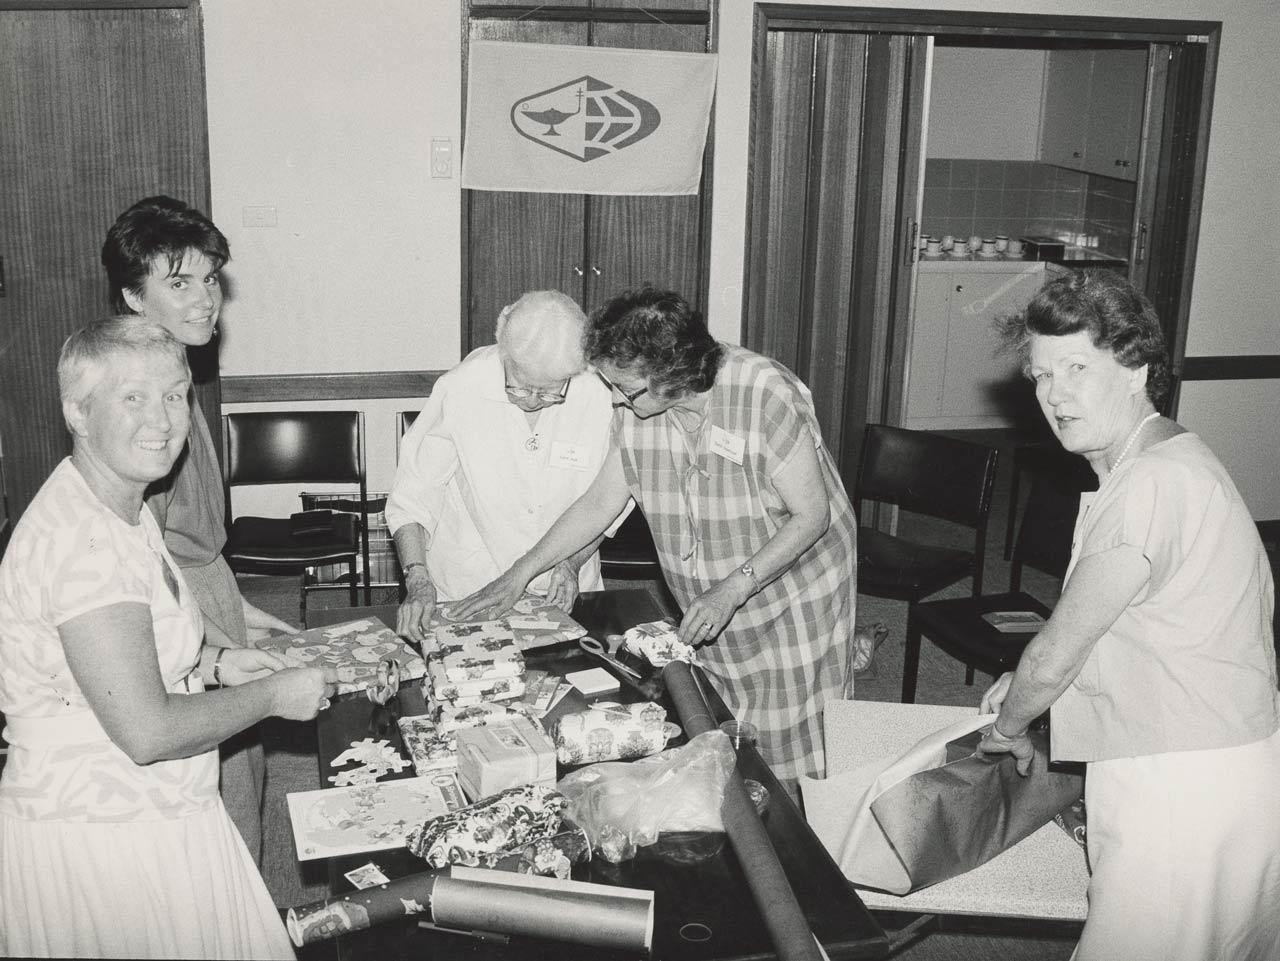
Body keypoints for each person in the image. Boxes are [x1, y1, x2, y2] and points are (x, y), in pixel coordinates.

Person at [0, 320, 334, 958]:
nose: (161, 419)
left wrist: (215, 661)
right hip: (107, 838)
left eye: (175, 395)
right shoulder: (87, 543)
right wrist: (273, 697)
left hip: (149, 812)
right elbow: (147, 730)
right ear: (77, 410)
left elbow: (127, 649)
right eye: (132, 398)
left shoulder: (120, 500)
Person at [977, 271, 1280, 960]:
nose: (1054, 393)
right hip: (1223, 760)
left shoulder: (1148, 484)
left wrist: (1012, 723)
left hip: (1184, 785)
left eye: (1078, 367)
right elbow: (1125, 625)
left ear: (1137, 365)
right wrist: (1036, 690)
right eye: (1040, 373)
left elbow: (1054, 654)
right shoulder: (1168, 459)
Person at [453, 288, 858, 782]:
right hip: (714, 595)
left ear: (673, 372)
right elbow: (598, 504)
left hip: (795, 591)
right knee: (718, 722)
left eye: (627, 389)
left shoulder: (762, 392)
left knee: (795, 734)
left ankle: (805, 838)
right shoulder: (638, 408)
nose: (616, 400)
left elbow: (812, 515)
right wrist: (520, 574)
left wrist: (734, 586)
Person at [101, 194, 294, 864]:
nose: (205, 298)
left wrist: (235, 606)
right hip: (177, 616)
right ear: (132, 296)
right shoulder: (139, 403)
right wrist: (213, 636)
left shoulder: (176, 371)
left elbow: (189, 535)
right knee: (220, 801)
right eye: (178, 282)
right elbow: (145, 562)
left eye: (209, 278)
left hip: (207, 592)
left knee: (244, 778)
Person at [386, 289, 621, 644]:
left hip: (564, 582)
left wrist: (572, 561)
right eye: (521, 387)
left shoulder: (599, 392)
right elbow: (414, 493)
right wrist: (417, 577)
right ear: (502, 353)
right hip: (470, 583)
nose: (532, 402)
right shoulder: (462, 386)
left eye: (549, 393)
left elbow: (610, 499)